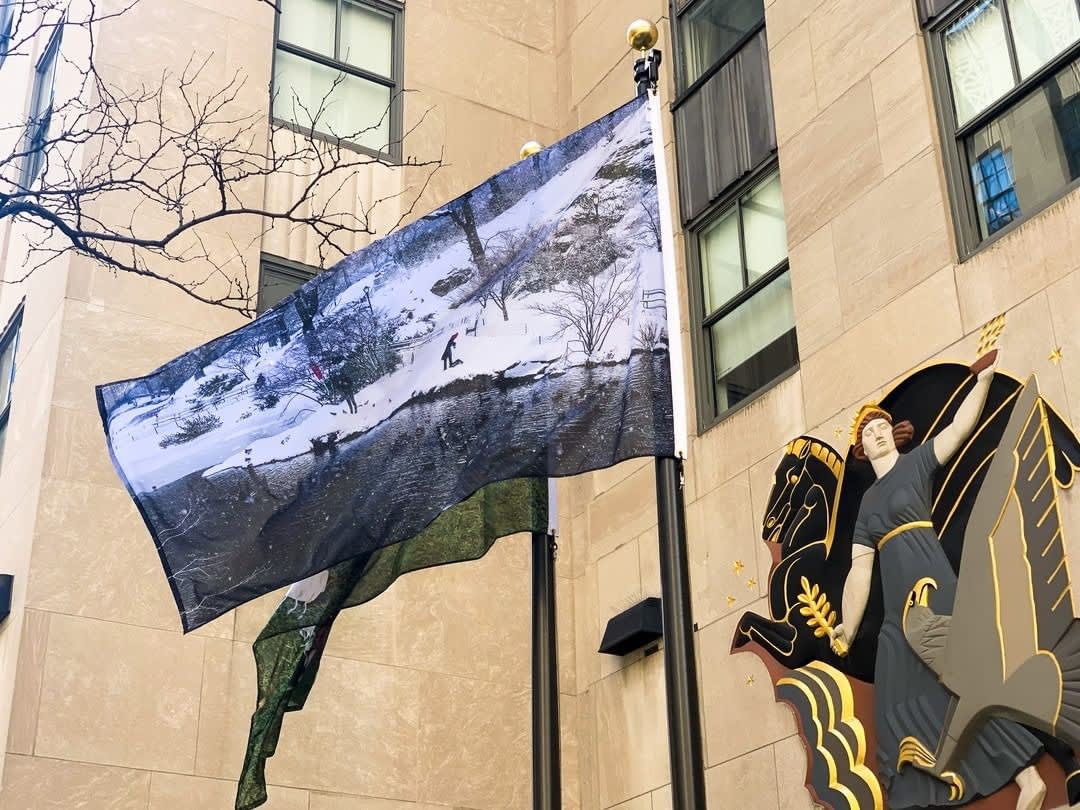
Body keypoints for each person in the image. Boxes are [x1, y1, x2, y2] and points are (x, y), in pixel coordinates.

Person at [829, 348, 1047, 810]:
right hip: (895, 618)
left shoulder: (916, 465)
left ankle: (1029, 778)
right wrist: (849, 626)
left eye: (882, 427)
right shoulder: (867, 507)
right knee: (895, 701)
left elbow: (957, 430)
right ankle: (921, 796)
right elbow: (859, 573)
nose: (877, 434)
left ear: (894, 435)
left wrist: (983, 383)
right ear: (862, 451)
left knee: (965, 683)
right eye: (868, 433)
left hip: (935, 594)